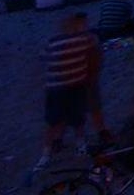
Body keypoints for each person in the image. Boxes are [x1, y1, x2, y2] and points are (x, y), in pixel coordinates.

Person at [38, 12, 99, 169]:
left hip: (55, 87)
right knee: (77, 118)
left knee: (53, 121)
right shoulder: (85, 39)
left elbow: (43, 57)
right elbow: (93, 57)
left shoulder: (52, 41)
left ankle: (46, 153)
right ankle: (80, 143)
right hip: (75, 85)